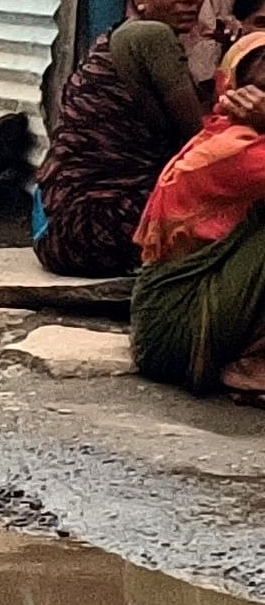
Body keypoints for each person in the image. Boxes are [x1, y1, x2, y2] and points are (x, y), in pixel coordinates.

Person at [35, 0, 207, 278]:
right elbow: (199, 142)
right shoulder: (151, 36)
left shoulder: (116, 36)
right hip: (93, 229)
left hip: (63, 228)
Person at [132, 32, 265, 402]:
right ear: (235, 92)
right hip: (178, 332)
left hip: (180, 320)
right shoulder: (233, 148)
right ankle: (251, 369)